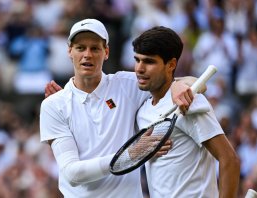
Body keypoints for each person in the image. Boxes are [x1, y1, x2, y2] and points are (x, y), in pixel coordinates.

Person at [40, 18, 197, 197]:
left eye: (95, 48)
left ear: (106, 52)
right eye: (80, 48)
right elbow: (72, 173)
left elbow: (197, 84)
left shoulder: (126, 85)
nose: (87, 55)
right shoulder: (54, 105)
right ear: (70, 51)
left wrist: (176, 85)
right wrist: (131, 154)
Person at [132, 26, 240, 197]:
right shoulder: (142, 110)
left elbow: (229, 160)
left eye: (149, 61)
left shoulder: (189, 102)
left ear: (171, 65)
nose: (139, 68)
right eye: (137, 60)